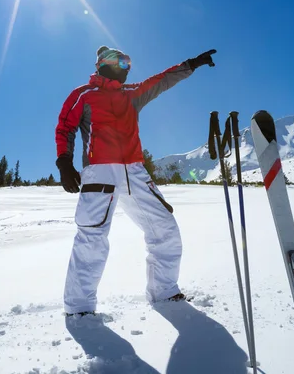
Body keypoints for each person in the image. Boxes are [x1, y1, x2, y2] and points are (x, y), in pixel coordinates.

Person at [55, 46, 217, 316]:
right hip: (100, 173)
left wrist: (191, 64)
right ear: (101, 64)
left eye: (127, 62)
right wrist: (64, 162)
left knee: (164, 228)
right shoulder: (84, 94)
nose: (123, 66)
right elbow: (65, 127)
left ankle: (163, 291)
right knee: (92, 236)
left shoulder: (131, 95)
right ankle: (79, 307)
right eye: (117, 61)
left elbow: (161, 80)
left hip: (135, 172)